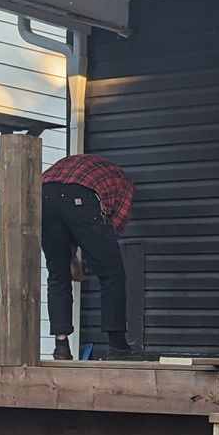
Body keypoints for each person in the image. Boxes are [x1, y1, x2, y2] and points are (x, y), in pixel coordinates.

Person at [40, 151, 139, 359]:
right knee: (112, 273)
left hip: (42, 196)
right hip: (81, 196)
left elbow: (63, 212)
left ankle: (61, 346)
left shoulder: (72, 165)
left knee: (58, 275)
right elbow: (113, 225)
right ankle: (117, 345)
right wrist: (94, 255)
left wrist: (74, 260)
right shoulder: (124, 182)